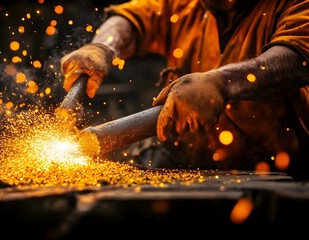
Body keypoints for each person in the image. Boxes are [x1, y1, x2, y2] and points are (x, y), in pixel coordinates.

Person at [60, 0, 309, 180]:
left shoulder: (294, 5)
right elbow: (130, 19)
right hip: (192, 160)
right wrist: (102, 47)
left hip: (281, 168)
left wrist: (221, 83)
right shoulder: (184, 6)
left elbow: (297, 60)